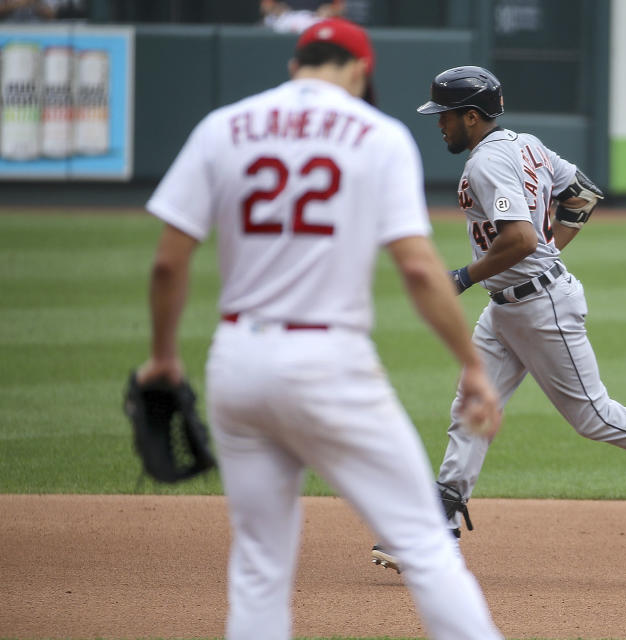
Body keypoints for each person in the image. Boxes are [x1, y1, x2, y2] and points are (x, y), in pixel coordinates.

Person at [137, 23, 503, 640]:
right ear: (360, 71)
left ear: (294, 63)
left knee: (259, 565)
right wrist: (471, 364)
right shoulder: (378, 136)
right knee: (422, 542)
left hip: (237, 361)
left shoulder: (222, 127)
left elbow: (168, 261)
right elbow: (417, 267)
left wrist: (163, 359)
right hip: (328, 360)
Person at [370, 65, 626, 574]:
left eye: (445, 116)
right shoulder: (526, 145)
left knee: (593, 415)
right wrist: (546, 250)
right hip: (509, 307)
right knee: (470, 405)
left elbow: (523, 239)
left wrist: (462, 276)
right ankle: (437, 526)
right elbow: (584, 193)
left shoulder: (486, 164)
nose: (439, 124)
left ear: (471, 116)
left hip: (539, 306)